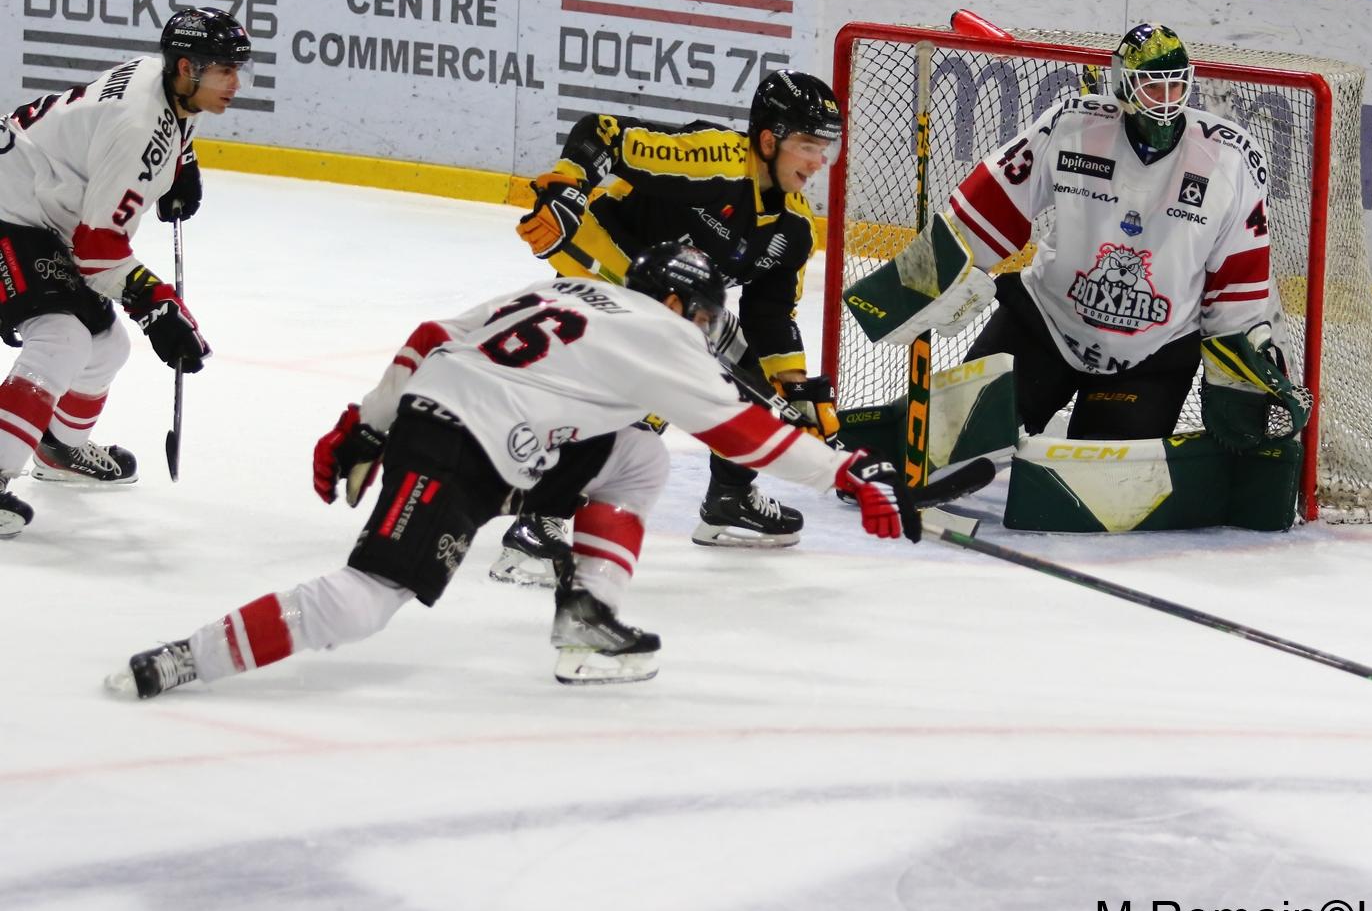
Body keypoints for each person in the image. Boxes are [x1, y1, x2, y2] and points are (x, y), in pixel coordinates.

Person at [108, 244, 919, 700]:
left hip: (481, 428)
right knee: (368, 598)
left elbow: (431, 336)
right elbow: (744, 433)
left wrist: (368, 421)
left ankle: (589, 619)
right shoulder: (664, 335)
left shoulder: (568, 288)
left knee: (636, 458)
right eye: (706, 315)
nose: (707, 331)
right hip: (461, 443)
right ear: (680, 305)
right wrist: (845, 474)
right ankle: (186, 656)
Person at [847, 22, 1310, 453]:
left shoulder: (1229, 159)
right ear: (1124, 85)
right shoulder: (1072, 127)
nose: (1166, 99)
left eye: (1175, 85)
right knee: (955, 436)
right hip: (1045, 326)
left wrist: (1238, 374)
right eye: (1152, 86)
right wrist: (924, 279)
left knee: (1104, 473)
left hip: (1151, 354)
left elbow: (1239, 278)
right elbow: (993, 202)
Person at [497, 69, 844, 578]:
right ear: (769, 140)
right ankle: (537, 524)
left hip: (677, 304)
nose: (818, 162)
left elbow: (769, 316)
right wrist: (566, 189)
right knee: (643, 400)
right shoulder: (713, 160)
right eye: (808, 146)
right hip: (605, 270)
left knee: (748, 376)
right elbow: (602, 133)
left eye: (825, 149)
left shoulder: (793, 228)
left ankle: (729, 499)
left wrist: (793, 391)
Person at [0, 6, 240, 537]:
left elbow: (167, 132)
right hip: (9, 209)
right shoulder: (137, 128)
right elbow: (97, 250)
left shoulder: (167, 81)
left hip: (35, 207)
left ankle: (59, 447)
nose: (235, 83)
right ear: (188, 67)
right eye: (224, 70)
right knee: (61, 338)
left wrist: (182, 164)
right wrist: (157, 305)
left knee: (106, 347)